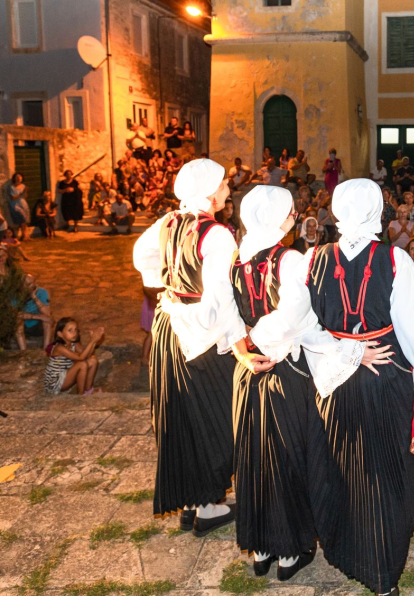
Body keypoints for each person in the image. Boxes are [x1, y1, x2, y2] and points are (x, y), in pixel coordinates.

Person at [295, 178, 414, 596]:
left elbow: (303, 325)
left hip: (334, 379)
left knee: (342, 465)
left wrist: (344, 350)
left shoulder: (311, 258)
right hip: (383, 375)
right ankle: (382, 571)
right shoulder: (396, 260)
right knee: (385, 471)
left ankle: (347, 548)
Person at [133, 159, 245, 535]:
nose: (228, 189)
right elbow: (220, 300)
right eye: (225, 184)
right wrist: (235, 342)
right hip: (199, 335)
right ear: (212, 192)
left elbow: (141, 256)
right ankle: (208, 505)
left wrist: (167, 286)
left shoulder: (167, 222)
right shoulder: (217, 234)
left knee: (184, 417)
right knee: (224, 418)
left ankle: (198, 500)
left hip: (168, 328)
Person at [227, 187, 330, 581]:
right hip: (281, 367)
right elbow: (294, 314)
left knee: (255, 456)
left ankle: (263, 547)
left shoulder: (239, 257)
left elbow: (224, 312)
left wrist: (242, 348)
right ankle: (288, 549)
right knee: (286, 456)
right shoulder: (289, 260)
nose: (293, 217)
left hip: (250, 368)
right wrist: (259, 344)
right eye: (289, 212)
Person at [44, 317, 104, 395]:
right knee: (82, 364)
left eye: (75, 329)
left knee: (93, 360)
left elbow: (87, 355)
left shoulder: (74, 343)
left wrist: (94, 342)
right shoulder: (59, 347)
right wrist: (91, 341)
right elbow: (81, 358)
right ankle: (80, 395)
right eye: (70, 330)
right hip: (55, 382)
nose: (74, 333)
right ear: (60, 334)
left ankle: (88, 390)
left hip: (66, 375)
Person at [17, 274, 52, 349]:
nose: (31, 286)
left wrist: (34, 297)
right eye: (27, 284)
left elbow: (47, 312)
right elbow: (16, 314)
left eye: (32, 283)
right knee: (17, 321)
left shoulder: (42, 292)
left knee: (47, 320)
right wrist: (37, 316)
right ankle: (23, 351)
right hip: (24, 325)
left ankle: (46, 350)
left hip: (37, 325)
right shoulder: (15, 295)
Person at [7, 173, 31, 241]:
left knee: (25, 220)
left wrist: (26, 192)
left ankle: (25, 235)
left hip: (23, 204)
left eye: (20, 177)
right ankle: (24, 235)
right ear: (14, 178)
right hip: (15, 205)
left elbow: (25, 197)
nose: (19, 178)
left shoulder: (23, 186)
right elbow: (13, 197)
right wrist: (22, 193)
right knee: (21, 219)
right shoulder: (11, 187)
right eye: (17, 177)